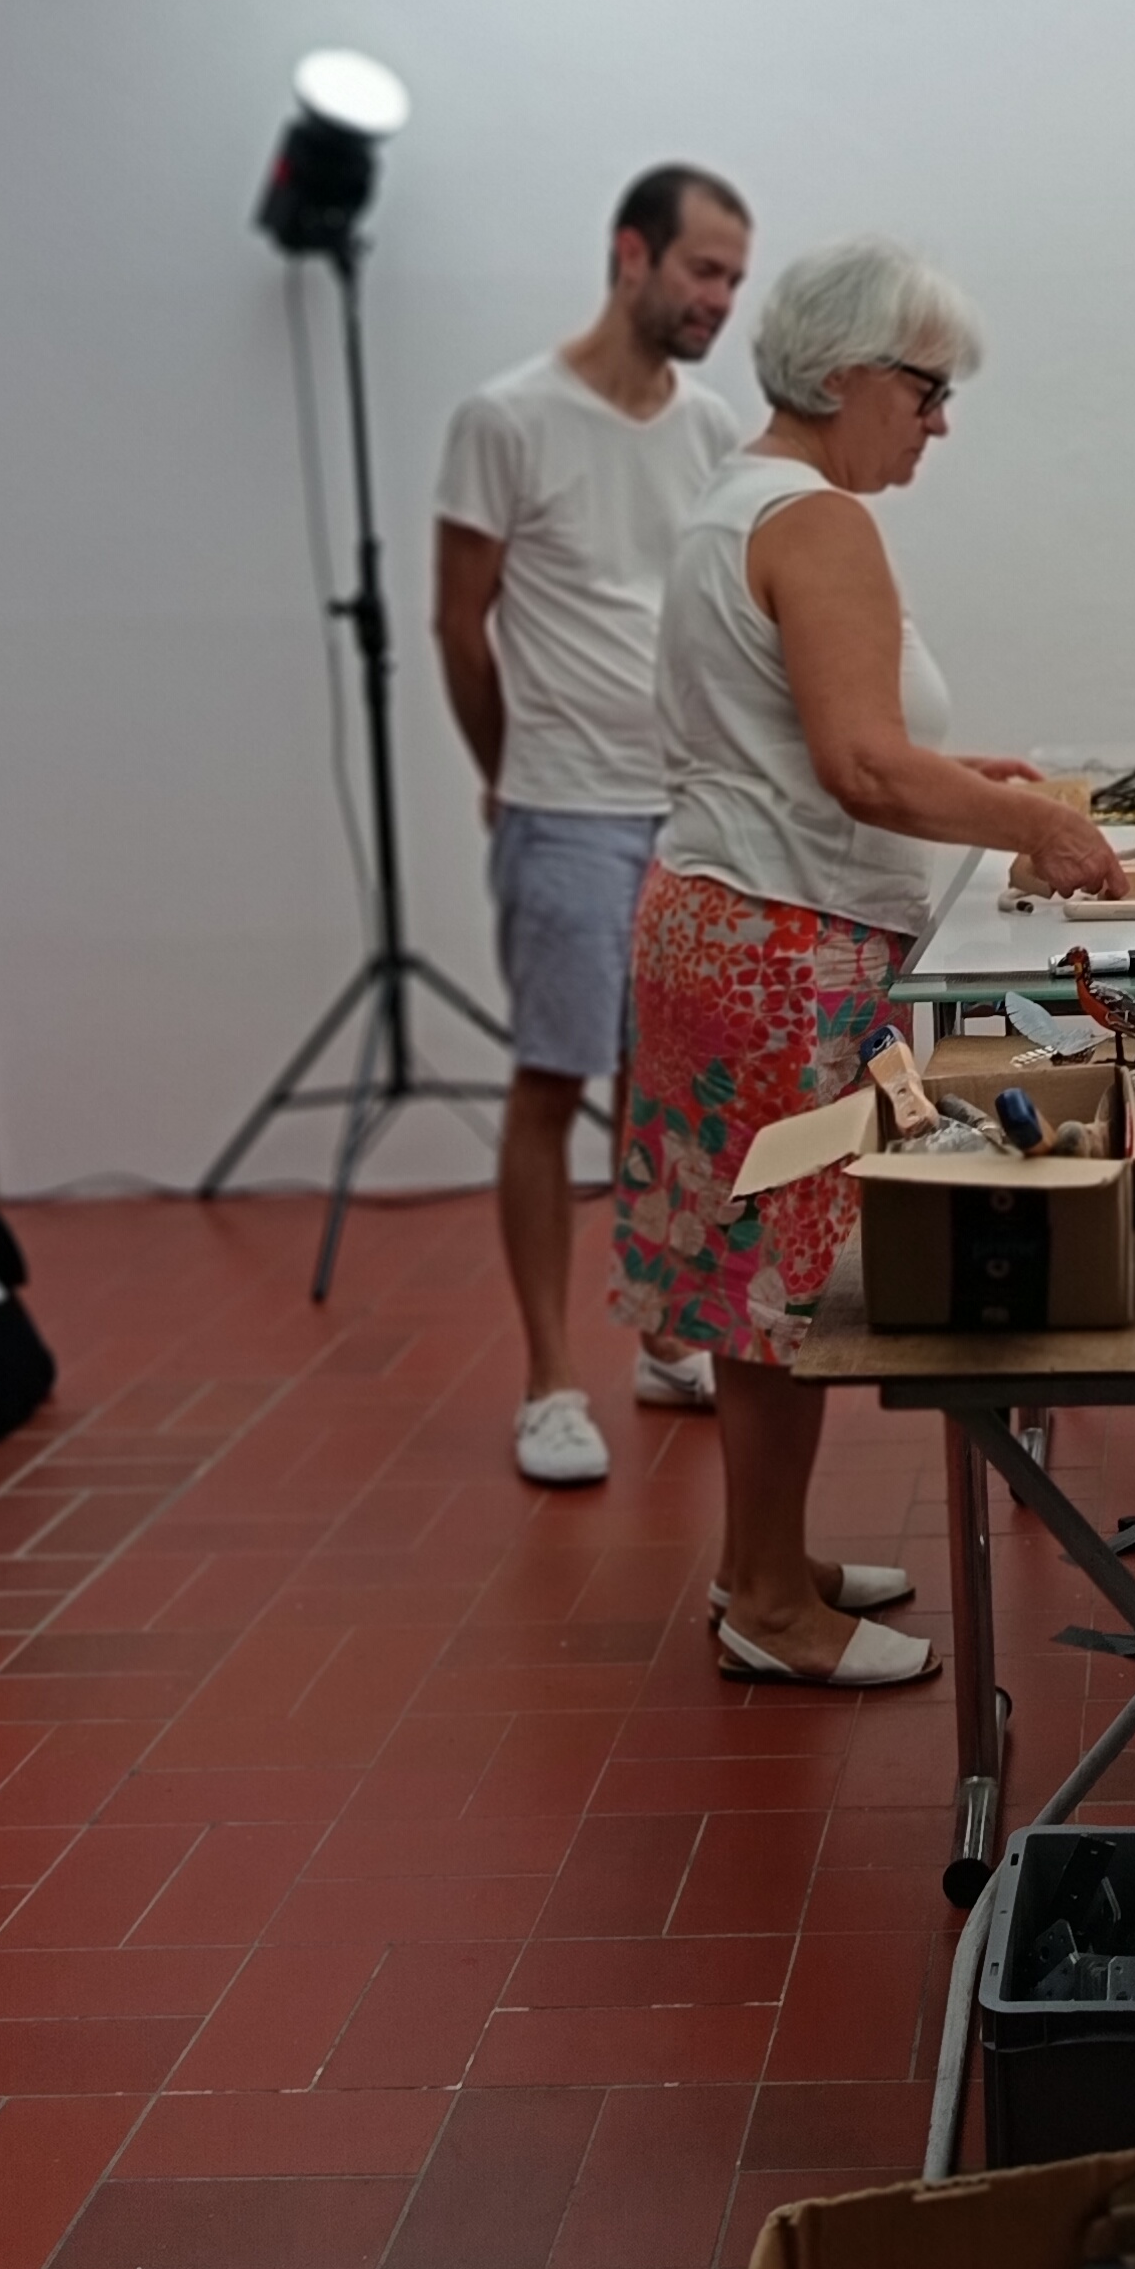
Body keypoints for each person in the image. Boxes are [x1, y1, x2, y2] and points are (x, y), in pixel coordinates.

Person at [618, 238, 1127, 1686]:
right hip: (783, 943)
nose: (939, 422)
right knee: (776, 1281)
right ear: (847, 376)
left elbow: (805, 746)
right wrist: (1034, 824)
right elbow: (858, 766)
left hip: (724, 921)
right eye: (927, 389)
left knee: (749, 1269)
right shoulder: (818, 519)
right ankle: (768, 1608)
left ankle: (762, 1563)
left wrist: (970, 781)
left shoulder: (736, 500)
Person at [435, 162, 753, 1485]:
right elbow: (460, 626)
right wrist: (508, 768)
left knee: (664, 1089)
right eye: (703, 270)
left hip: (684, 805)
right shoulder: (506, 418)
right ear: (632, 256)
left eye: (734, 278)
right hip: (564, 804)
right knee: (553, 1074)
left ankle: (666, 1339)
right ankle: (548, 1383)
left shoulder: (712, 428)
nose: (720, 299)